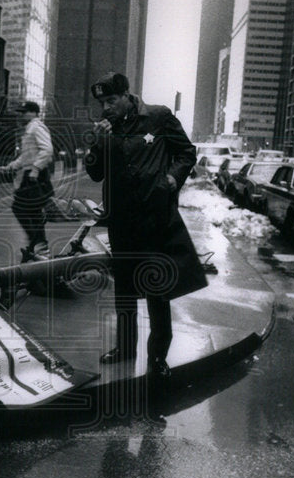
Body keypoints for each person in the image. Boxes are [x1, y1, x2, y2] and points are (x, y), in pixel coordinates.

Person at [84, 72, 208, 381]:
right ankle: (125, 348)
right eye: (102, 103)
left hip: (154, 219)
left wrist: (172, 178)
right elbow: (96, 174)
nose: (106, 108)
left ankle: (158, 357)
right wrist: (97, 145)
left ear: (128, 95)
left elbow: (186, 151)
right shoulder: (105, 128)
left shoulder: (158, 116)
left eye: (111, 101)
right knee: (124, 289)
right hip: (122, 220)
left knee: (157, 289)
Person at [0, 100, 55, 258]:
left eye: (24, 112)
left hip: (35, 176)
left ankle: (37, 243)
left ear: (33, 113)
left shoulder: (37, 127)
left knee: (20, 207)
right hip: (32, 174)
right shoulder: (29, 129)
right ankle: (40, 245)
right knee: (33, 211)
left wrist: (36, 169)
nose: (21, 115)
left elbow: (47, 150)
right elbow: (26, 156)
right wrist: (10, 167)